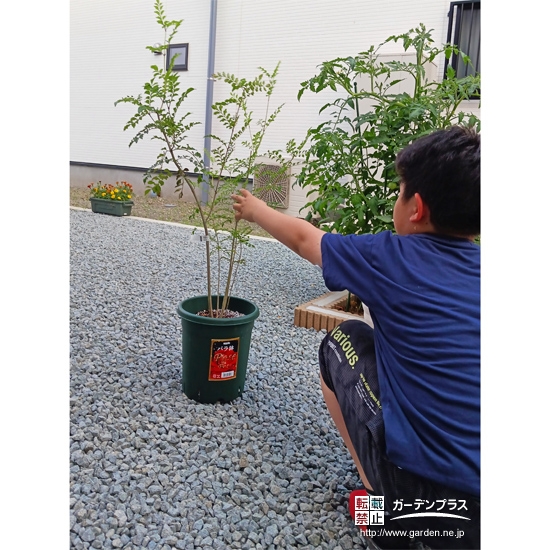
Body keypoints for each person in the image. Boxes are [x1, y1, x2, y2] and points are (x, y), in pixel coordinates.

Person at [232, 125, 480, 550]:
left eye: (399, 191)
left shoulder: (391, 258)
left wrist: (256, 209)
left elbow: (307, 239)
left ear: (416, 208)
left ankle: (379, 509)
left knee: (342, 339)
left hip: (430, 510)